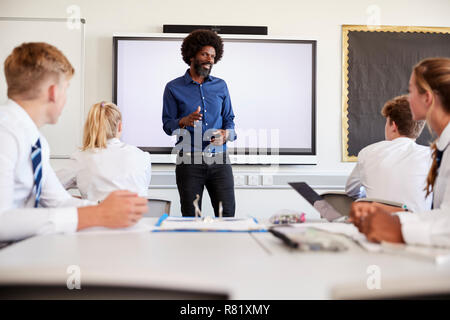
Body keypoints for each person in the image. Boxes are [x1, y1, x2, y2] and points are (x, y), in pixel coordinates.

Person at [0, 42, 147, 242]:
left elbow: (58, 201)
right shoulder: (5, 132)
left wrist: (105, 209)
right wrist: (97, 214)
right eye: (66, 88)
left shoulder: (35, 141)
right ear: (53, 92)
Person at [350, 57, 450, 247]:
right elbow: (443, 215)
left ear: (427, 98)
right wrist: (394, 220)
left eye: (410, 90)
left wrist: (397, 228)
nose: (407, 98)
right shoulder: (441, 148)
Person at [162, 29, 236, 217]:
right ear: (192, 55)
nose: (209, 59)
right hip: (189, 162)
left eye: (212, 56)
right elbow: (167, 125)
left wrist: (226, 135)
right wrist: (183, 121)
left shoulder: (221, 86)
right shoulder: (173, 88)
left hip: (219, 160)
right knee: (191, 215)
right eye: (204, 54)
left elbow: (230, 121)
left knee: (227, 213)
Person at [345, 95, 431, 213]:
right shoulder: (431, 156)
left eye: (387, 122)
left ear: (394, 126)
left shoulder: (367, 153)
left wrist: (370, 194)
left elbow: (351, 191)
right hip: (418, 229)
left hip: (377, 227)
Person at [56, 101, 152, 202]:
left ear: (90, 128)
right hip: (137, 217)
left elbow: (44, 189)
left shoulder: (81, 158)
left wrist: (80, 202)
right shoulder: (142, 157)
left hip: (97, 216)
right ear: (120, 126)